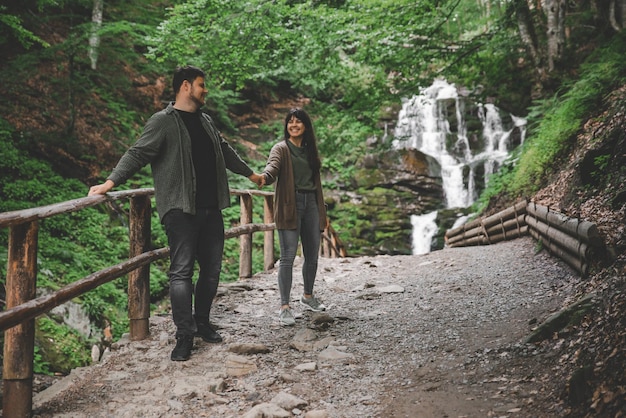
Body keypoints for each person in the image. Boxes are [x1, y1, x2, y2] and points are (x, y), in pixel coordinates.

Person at [88, 65, 263, 361]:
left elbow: (225, 151)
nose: (205, 90)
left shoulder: (206, 121)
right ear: (185, 86)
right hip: (180, 209)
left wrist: (251, 175)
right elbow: (138, 153)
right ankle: (184, 335)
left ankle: (202, 323)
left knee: (211, 271)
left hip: (211, 208)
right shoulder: (163, 122)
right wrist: (110, 182)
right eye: (201, 85)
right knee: (181, 272)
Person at [261, 108, 327, 326]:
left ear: (305, 126)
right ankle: (284, 306)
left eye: (298, 122)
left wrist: (321, 212)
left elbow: (317, 185)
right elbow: (272, 168)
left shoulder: (310, 151)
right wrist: (263, 177)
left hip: (312, 205)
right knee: (288, 256)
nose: (294, 125)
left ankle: (308, 296)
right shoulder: (281, 148)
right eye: (290, 122)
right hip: (290, 205)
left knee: (312, 255)